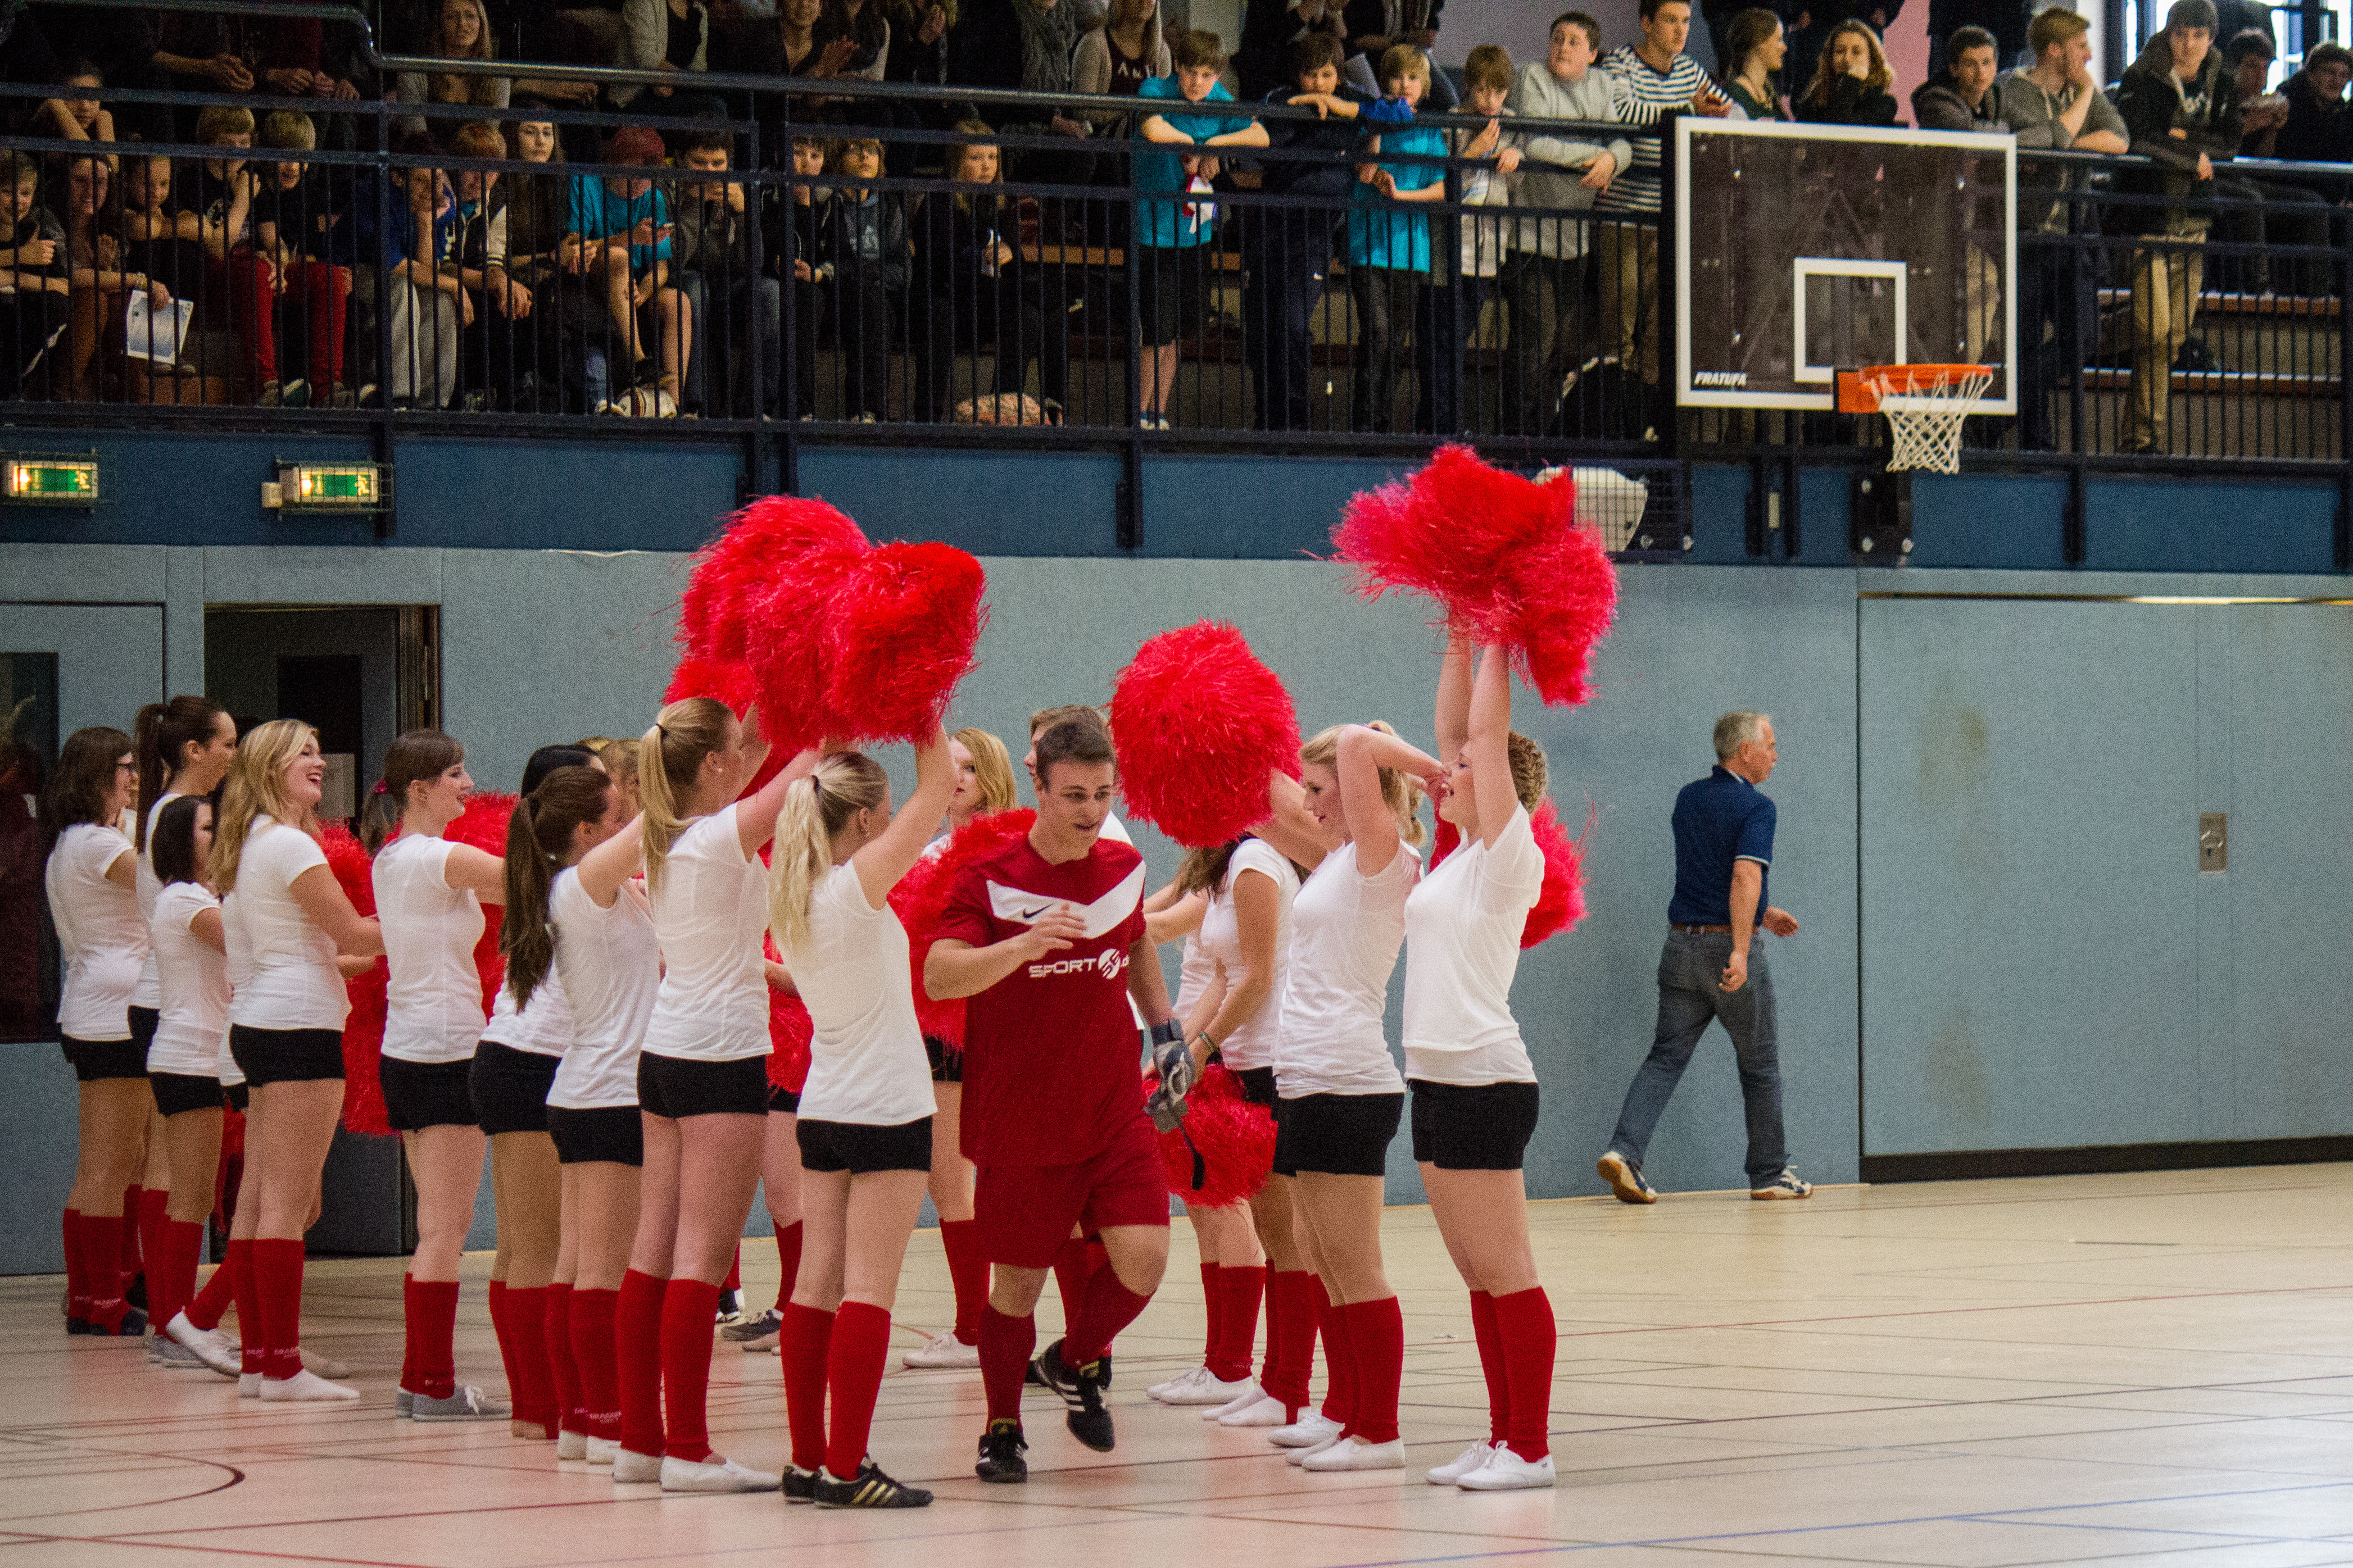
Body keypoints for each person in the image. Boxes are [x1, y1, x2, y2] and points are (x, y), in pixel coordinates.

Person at [924, 716, 1181, 1480]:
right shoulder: (987, 873)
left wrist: (1165, 1029)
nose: (1090, 809)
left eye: (1102, 793)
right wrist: (1017, 947)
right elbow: (939, 973)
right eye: (1074, 794)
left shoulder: (1123, 865)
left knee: (1145, 1260)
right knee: (1016, 1285)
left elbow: (1135, 940)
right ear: (1037, 783)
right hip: (1021, 1115)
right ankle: (1001, 1427)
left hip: (1112, 1104)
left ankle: (1072, 1359)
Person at [614, 697, 819, 1493]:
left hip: (664, 1052)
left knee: (652, 1247)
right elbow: (799, 771)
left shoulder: (665, 832)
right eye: (735, 751)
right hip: (720, 1054)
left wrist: (781, 680)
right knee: (700, 1254)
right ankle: (688, 1448)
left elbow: (763, 747)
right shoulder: (716, 834)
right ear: (711, 764)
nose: (748, 757)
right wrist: (837, 709)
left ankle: (640, 1440)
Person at [769, 731, 954, 1507]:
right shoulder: (854, 887)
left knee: (815, 1282)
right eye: (885, 808)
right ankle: (847, 1468)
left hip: (824, 1107)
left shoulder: (795, 894)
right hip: (887, 1108)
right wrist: (925, 713)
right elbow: (938, 790)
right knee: (869, 1289)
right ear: (868, 820)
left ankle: (807, 1460)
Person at [1246, 722, 1434, 1470]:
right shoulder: (1336, 858)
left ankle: (1377, 1430)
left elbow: (1356, 741)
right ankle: (1343, 1409)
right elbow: (1254, 804)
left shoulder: (1382, 857)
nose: (1308, 802)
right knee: (1321, 1257)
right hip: (1306, 1076)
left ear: (1363, 790)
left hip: (1346, 1079)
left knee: (1354, 1263)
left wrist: (1429, 770)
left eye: (1319, 788)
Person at [1404, 635, 1554, 1492]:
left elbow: (1483, 737)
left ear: (1499, 787)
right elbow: (1454, 730)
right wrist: (1457, 631)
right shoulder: (1454, 858)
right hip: (1433, 1076)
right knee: (1474, 1272)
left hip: (1484, 1078)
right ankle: (1499, 1433)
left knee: (1505, 1269)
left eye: (1462, 769)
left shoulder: (1507, 859)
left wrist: (1499, 628)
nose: (1446, 771)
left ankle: (1529, 1446)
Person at [215, 719, 384, 1401]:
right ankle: (282, 1366)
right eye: (301, 754)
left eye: (318, 750)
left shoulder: (251, 843)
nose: (317, 761)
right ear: (269, 770)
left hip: (260, 1024)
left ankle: (261, 1361)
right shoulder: (289, 844)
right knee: (285, 1204)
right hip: (298, 1027)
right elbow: (352, 931)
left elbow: (318, 947)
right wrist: (433, 917)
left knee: (259, 1200)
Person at [1598, 711, 1812, 1209]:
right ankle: (1769, 1173)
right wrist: (1740, 948)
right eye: (1771, 745)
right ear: (1745, 751)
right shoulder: (1757, 807)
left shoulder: (1689, 797)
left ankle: (1624, 1152)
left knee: (1664, 1057)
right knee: (1760, 1066)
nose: (1776, 755)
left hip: (1680, 948)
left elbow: (1707, 872)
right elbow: (1742, 876)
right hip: (1724, 949)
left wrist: (1763, 913)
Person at [364, 730, 515, 1423]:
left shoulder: (392, 856)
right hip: (448, 1052)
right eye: (456, 773)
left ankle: (419, 1378)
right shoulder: (437, 856)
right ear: (419, 789)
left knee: (436, 1226)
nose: (469, 783)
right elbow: (532, 883)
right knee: (445, 1230)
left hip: (407, 1049)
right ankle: (431, 1383)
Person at [473, 749, 592, 1449]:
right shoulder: (572, 884)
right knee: (539, 1250)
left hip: (512, 1060)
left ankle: (533, 1406)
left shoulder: (540, 876)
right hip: (530, 1064)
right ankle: (540, 1408)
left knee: (520, 1246)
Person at [532, 765, 649, 1468]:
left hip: (588, 1089)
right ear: (585, 832)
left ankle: (580, 1421)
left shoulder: (609, 891)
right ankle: (605, 1421)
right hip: (608, 1094)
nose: (626, 824)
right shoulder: (582, 883)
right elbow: (660, 824)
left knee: (576, 1265)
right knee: (601, 1272)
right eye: (614, 817)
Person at [1172, 822, 1304, 1434]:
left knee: (1287, 1238)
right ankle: (1276, 1383)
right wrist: (1177, 1048)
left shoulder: (1254, 859)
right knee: (1275, 1233)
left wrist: (1200, 1048)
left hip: (1276, 1061)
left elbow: (1258, 977)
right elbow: (1224, 976)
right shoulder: (1224, 866)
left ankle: (1289, 1385)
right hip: (1247, 1062)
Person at [903, 725, 1018, 1368]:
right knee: (947, 1180)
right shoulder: (927, 854)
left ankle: (980, 1329)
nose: (956, 779)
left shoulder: (1007, 850)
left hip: (993, 1029)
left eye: (969, 768)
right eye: (948, 768)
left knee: (986, 1182)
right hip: (938, 1032)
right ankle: (974, 1324)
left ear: (992, 775)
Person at [43, 726, 153, 1338]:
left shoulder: (77, 841)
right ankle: (102, 1298)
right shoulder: (96, 844)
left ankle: (95, 1291)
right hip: (113, 1014)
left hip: (96, 1007)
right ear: (95, 774)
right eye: (125, 767)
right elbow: (162, 881)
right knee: (110, 1164)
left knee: (109, 1162)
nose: (133, 778)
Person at [1998, 6, 2127, 452]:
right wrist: (2071, 120)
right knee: (2027, 340)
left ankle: (1999, 417)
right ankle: (2037, 444)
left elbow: (2118, 138)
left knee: (2084, 336)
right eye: (2080, 47)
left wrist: (2070, 139)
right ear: (2053, 50)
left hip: (2073, 234)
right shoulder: (2013, 90)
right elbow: (2036, 141)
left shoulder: (2081, 91)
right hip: (2027, 234)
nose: (2088, 56)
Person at [2114, 0, 2239, 455]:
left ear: (2211, 39)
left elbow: (2230, 142)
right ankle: (2140, 437)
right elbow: (2138, 136)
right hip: (2150, 218)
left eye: (2198, 36)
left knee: (2173, 339)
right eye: (2180, 34)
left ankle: (2144, 436)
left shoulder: (2222, 80)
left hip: (2195, 220)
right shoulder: (2141, 75)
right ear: (2168, 34)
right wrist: (2190, 156)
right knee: (2153, 330)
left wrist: (2183, 139)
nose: (2188, 45)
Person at [1597, 0, 1731, 421]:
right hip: (1623, 215)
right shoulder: (1620, 63)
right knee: (1618, 320)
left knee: (1663, 325)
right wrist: (1687, 110)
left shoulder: (1689, 70)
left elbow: (1725, 107)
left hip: (1670, 215)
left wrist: (1719, 112)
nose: (1680, 30)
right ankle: (1612, 416)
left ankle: (1643, 416)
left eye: (1686, 21)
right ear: (1646, 23)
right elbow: (1624, 113)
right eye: (1670, 20)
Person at [1499, 15, 1627, 438]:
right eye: (1557, 39)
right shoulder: (1531, 76)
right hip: (1529, 236)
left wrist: (1612, 160)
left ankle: (1544, 433)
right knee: (1534, 340)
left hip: (1575, 241)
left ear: (1592, 54)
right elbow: (1536, 144)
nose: (1563, 47)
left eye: (1574, 42)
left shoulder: (1603, 85)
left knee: (1560, 346)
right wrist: (1594, 157)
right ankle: (1517, 435)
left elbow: (1621, 140)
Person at [1136, 32, 1269, 429]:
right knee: (1155, 332)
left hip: (1196, 234)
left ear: (1218, 76)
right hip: (1154, 231)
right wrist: (1191, 145)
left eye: (1207, 75)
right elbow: (1153, 129)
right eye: (1191, 72)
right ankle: (1137, 418)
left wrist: (1212, 146)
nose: (1197, 82)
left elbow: (1260, 135)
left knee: (1178, 332)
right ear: (1177, 67)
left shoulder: (1220, 98)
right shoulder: (1154, 88)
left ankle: (1158, 413)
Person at [1244, 32, 1369, 433]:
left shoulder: (1355, 102)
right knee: (1262, 327)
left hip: (1315, 234)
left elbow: (1396, 113)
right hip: (1269, 228)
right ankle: (1268, 421)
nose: (1318, 84)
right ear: (1297, 75)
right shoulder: (1280, 99)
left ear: (1340, 75)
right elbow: (1261, 139)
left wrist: (1342, 110)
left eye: (1326, 75)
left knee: (1293, 324)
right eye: (1310, 75)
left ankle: (1296, 422)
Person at [910, 122, 1071, 422]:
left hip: (984, 301)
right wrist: (983, 259)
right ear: (957, 162)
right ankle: (927, 417)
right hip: (946, 297)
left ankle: (1008, 407)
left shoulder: (998, 202)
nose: (987, 166)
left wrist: (1009, 255)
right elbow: (941, 263)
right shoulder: (938, 201)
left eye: (992, 157)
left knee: (1035, 313)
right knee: (940, 315)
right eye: (976, 158)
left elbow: (1015, 266)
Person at [1344, 44, 1445, 434]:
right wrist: (1376, 129)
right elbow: (1365, 172)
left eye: (1413, 77)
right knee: (1378, 333)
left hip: (1411, 250)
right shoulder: (1368, 122)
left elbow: (1442, 188)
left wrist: (1403, 195)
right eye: (1398, 77)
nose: (1405, 84)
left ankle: (1382, 422)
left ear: (1425, 85)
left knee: (1397, 339)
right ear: (1384, 82)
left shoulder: (1430, 130)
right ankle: (1363, 423)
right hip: (1367, 246)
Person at [561, 125, 687, 417]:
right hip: (593, 277)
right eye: (632, 173)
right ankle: (638, 360)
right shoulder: (586, 183)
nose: (640, 183)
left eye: (647, 176)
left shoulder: (654, 198)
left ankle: (673, 404)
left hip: (632, 290)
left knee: (678, 302)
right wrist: (630, 237)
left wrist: (643, 292)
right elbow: (577, 247)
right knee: (619, 256)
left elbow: (661, 268)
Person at [670, 130, 777, 418]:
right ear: (680, 160)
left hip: (726, 283)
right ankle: (693, 406)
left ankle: (754, 408)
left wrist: (743, 215)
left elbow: (753, 264)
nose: (710, 171)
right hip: (682, 280)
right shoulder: (668, 189)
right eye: (699, 162)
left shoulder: (736, 189)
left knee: (769, 291)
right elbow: (674, 259)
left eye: (718, 164)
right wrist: (694, 205)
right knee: (695, 287)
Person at [252, 111, 355, 407]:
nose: (293, 166)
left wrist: (332, 273)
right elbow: (273, 244)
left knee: (331, 277)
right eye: (286, 157)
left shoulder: (305, 193)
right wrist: (282, 261)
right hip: (260, 273)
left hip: (286, 275)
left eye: (301, 158)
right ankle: (269, 387)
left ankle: (328, 389)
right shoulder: (257, 187)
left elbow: (307, 254)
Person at [815, 135, 906, 421]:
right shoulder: (828, 202)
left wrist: (864, 273)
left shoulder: (888, 204)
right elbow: (824, 260)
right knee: (869, 303)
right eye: (855, 150)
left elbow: (902, 269)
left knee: (875, 305)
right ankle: (866, 410)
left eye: (872, 150)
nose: (865, 156)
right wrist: (856, 273)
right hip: (835, 293)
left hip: (877, 293)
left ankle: (868, 411)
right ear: (839, 159)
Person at [395, 0, 509, 138]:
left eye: (470, 16)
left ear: (482, 23)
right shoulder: (415, 74)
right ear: (441, 24)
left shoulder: (498, 78)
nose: (462, 24)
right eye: (452, 17)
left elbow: (489, 139)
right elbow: (416, 137)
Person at [1795, 20, 1898, 124]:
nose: (1847, 59)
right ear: (1830, 58)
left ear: (1872, 59)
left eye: (1856, 52)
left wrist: (1852, 81)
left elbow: (1842, 127)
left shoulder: (1884, 103)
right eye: (1840, 51)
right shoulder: (1815, 99)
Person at [1911, 24, 2002, 129]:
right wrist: (2005, 128)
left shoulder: (1996, 95)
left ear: (1996, 66)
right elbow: (1967, 131)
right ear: (1954, 69)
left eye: (1986, 63)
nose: (1981, 71)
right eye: (1970, 64)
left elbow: (2020, 127)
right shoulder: (1937, 100)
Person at [1716, 8, 1787, 119]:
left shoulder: (1770, 93)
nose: (1784, 47)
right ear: (1761, 42)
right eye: (1779, 39)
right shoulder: (1735, 96)